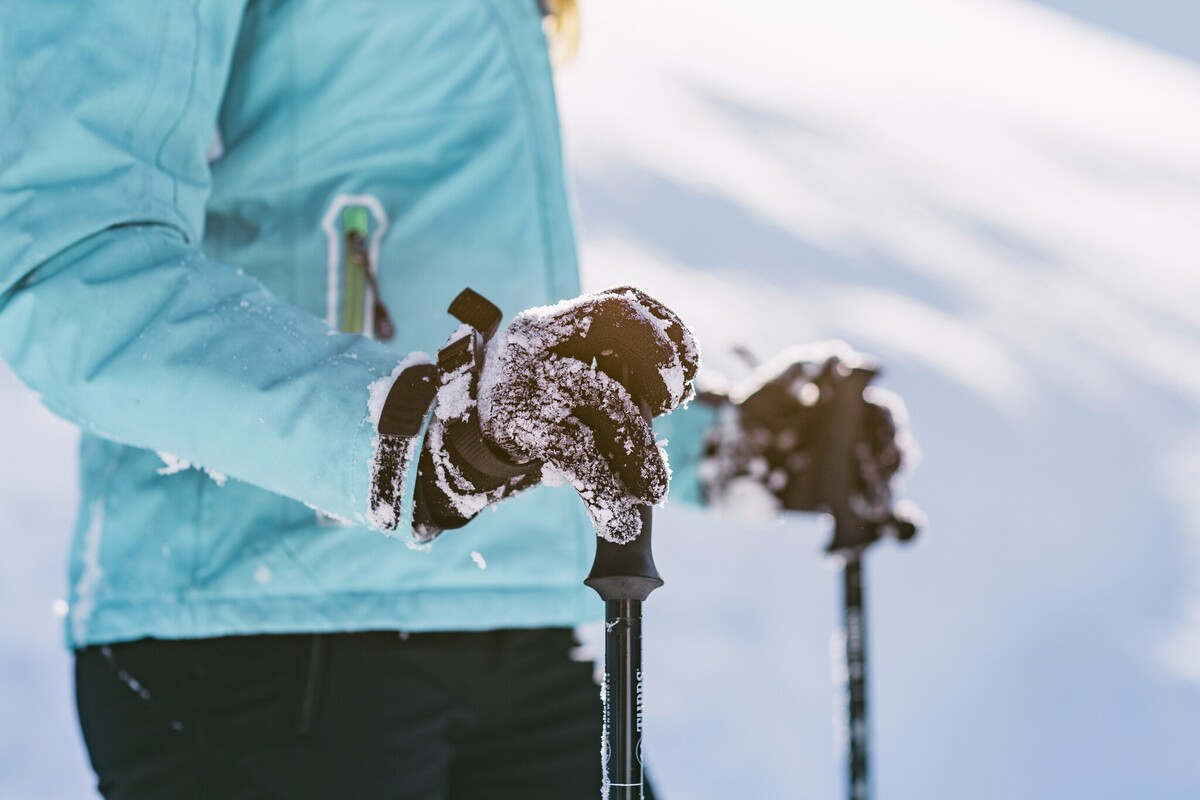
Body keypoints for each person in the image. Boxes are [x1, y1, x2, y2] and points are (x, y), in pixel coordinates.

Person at [0, 3, 913, 798]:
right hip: (260, 628)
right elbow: (73, 270)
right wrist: (402, 437)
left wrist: (713, 438)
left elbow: (459, 299)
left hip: (504, 617)